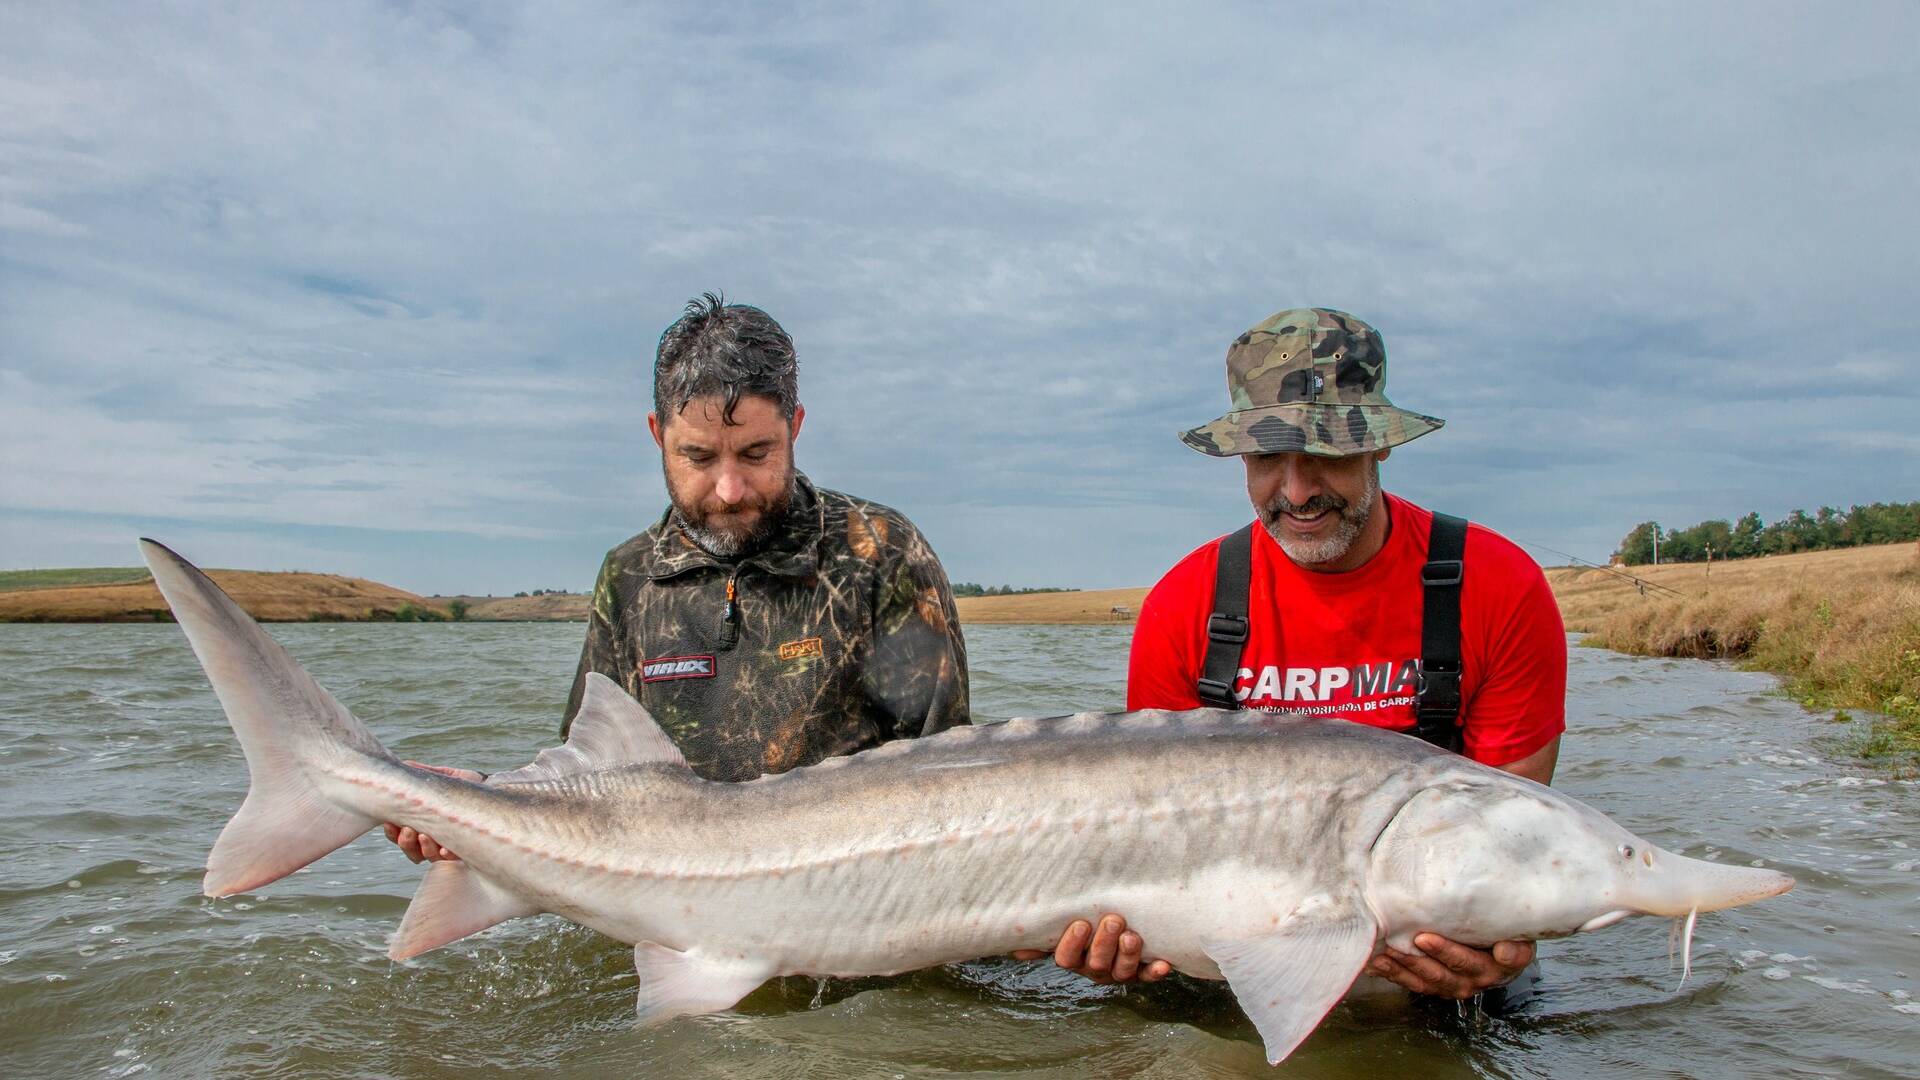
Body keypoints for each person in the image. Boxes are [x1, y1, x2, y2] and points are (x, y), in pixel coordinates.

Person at [1036, 307, 1566, 999]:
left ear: (1380, 446)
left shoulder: (1498, 587)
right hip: (1234, 954)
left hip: (1430, 965)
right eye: (1266, 459)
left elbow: (1512, 849)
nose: (1296, 491)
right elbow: (1149, 845)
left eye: (1327, 454)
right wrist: (1115, 939)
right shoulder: (1185, 603)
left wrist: (1497, 949)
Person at [387, 293, 970, 861]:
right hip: (670, 901)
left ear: (795, 427)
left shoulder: (881, 552)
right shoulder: (629, 577)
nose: (729, 489)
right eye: (698, 457)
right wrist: (478, 800)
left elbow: (955, 784)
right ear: (656, 434)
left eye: (756, 453)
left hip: (855, 909)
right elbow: (587, 784)